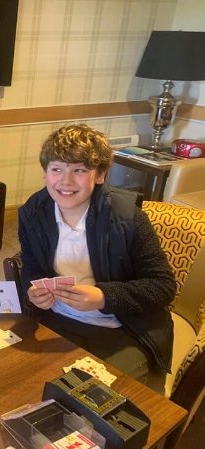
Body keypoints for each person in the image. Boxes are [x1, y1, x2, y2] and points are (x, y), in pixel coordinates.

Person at [18, 124, 175, 392]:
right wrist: (33, 292)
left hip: (118, 327)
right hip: (57, 318)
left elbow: (163, 286)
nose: (65, 181)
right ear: (46, 173)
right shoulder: (33, 212)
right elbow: (31, 268)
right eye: (57, 169)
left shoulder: (128, 218)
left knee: (106, 403)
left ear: (100, 175)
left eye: (79, 170)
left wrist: (103, 297)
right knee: (23, 382)